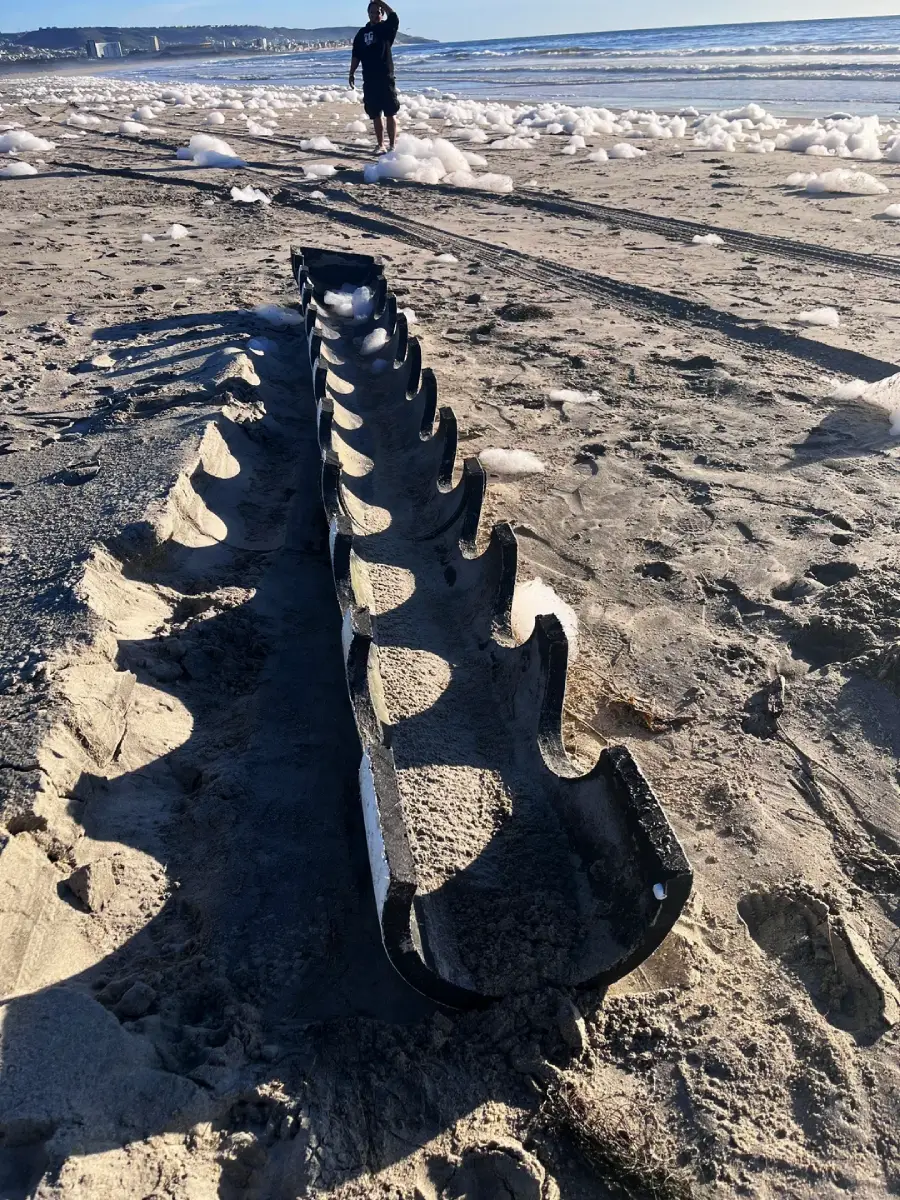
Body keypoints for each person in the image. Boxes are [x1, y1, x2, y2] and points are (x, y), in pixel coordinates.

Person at [349, 1, 400, 152]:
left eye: (377, 12)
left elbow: (395, 17)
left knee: (391, 112)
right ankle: (380, 144)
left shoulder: (386, 29)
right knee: (375, 113)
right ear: (368, 14)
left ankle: (392, 145)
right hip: (369, 79)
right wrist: (351, 72)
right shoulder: (361, 33)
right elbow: (356, 54)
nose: (375, 15)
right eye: (372, 12)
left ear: (381, 13)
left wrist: (379, 2)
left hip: (385, 77)